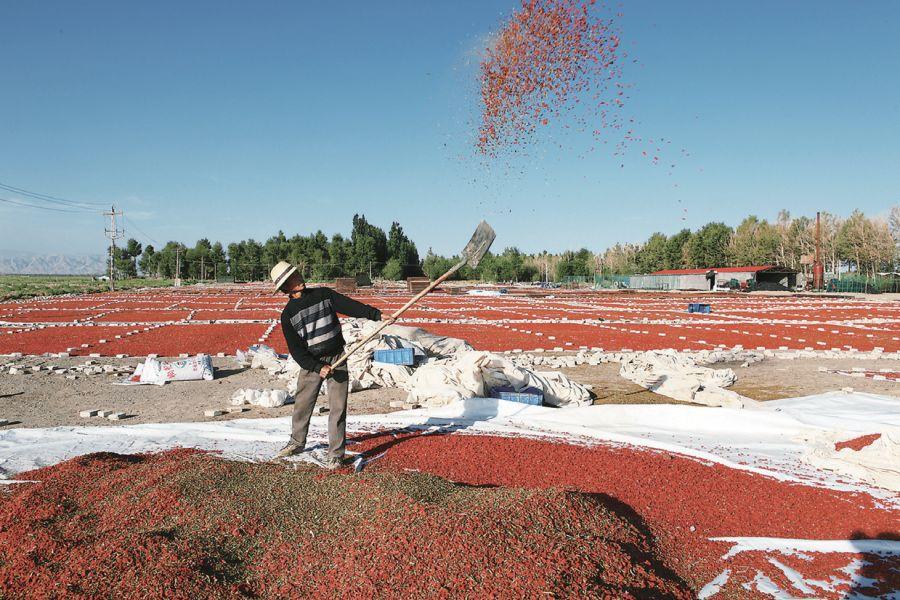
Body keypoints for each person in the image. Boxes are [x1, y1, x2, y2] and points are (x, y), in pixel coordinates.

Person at [269, 261, 383, 467]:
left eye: (297, 275)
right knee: (303, 405)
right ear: (285, 287)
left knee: (338, 407)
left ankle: (336, 454)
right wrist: (316, 367)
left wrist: (377, 315)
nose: (299, 279)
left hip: (336, 357)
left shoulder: (323, 295)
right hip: (312, 363)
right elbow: (296, 351)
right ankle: (297, 442)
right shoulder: (288, 316)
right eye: (292, 279)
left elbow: (350, 306)